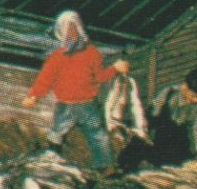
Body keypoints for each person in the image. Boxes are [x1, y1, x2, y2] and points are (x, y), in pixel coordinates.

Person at [22, 10, 129, 172]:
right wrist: (34, 95)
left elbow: (100, 76)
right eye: (67, 30)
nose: (71, 34)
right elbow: (46, 79)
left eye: (73, 30)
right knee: (61, 133)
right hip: (71, 105)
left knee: (92, 135)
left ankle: (103, 168)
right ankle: (51, 163)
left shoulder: (89, 54)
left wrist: (115, 68)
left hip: (85, 105)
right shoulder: (60, 57)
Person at [118, 65, 197, 172]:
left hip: (178, 144)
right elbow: (151, 115)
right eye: (193, 96)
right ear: (185, 87)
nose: (196, 100)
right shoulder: (168, 94)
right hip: (157, 137)